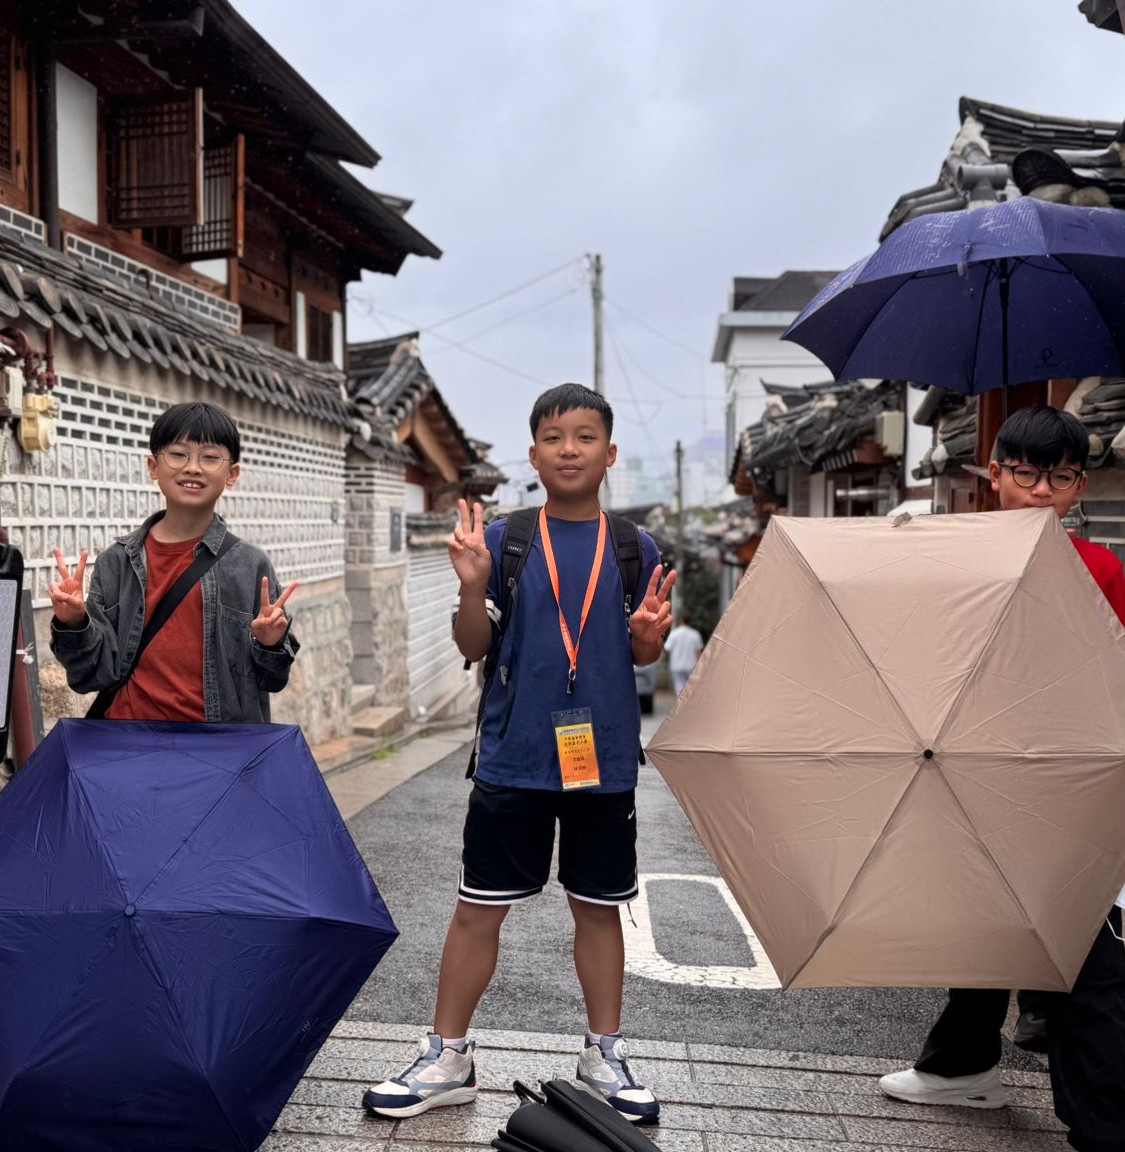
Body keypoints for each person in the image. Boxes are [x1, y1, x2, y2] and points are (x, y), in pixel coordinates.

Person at [362, 383, 672, 1126]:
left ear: (610, 453)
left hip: (603, 762)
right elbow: (473, 645)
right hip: (512, 755)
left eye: (586, 437)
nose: (570, 449)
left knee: (599, 911)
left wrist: (649, 641)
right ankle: (449, 1057)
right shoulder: (506, 540)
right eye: (554, 437)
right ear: (533, 454)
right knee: (478, 909)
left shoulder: (635, 547)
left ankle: (603, 1055)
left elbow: (641, 653)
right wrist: (472, 588)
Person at [877, 405, 1125, 1152]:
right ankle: (961, 1063)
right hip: (972, 774)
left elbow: (1120, 690)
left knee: (1084, 952)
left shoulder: (1097, 568)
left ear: (1080, 486)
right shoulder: (951, 554)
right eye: (1025, 472)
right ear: (995, 472)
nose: (1041, 490)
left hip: (1068, 784)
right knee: (988, 921)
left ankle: (1111, 1132)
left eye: (1061, 477)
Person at [48, 401, 299, 723]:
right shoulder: (117, 563)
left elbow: (273, 680)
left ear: (232, 474)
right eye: (178, 454)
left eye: (210, 457)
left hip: (218, 743)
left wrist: (269, 644)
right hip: (130, 736)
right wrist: (74, 624)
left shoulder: (250, 565)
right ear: (153, 466)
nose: (192, 467)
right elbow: (90, 676)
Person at [663, 619, 703, 698]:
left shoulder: (674, 633)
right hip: (691, 666)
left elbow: (667, 648)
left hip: (676, 666)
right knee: (691, 687)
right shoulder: (695, 634)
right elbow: (698, 652)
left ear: (681, 622)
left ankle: (681, 700)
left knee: (679, 686)